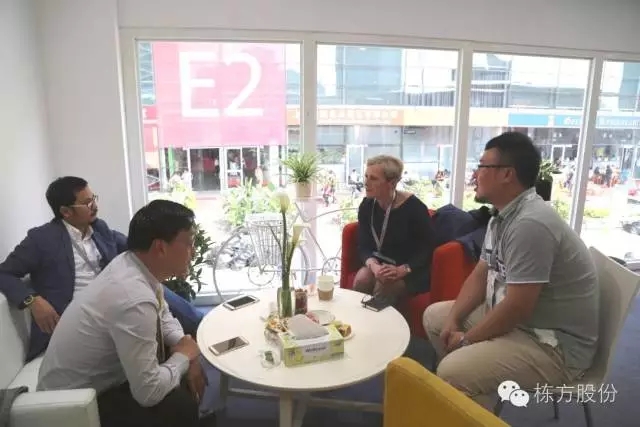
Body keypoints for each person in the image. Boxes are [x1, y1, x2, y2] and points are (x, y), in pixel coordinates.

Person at [422, 132, 599, 408]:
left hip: (552, 346)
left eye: (482, 166)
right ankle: (471, 396)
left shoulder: (530, 224)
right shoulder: (502, 216)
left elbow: (518, 307)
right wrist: (453, 320)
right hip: (522, 324)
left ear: (507, 174)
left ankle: (464, 388)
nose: (475, 174)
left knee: (451, 371)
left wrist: (466, 341)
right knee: (436, 318)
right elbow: (480, 274)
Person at [37, 199, 214, 427]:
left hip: (97, 383)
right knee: (178, 404)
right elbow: (148, 392)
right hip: (72, 406)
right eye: (189, 243)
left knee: (176, 379)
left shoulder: (133, 264)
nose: (193, 251)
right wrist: (184, 357)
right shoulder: (132, 297)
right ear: (160, 247)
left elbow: (163, 314)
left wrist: (184, 344)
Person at [0, 176, 203, 361]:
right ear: (66, 211)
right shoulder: (41, 239)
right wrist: (32, 300)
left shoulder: (99, 229)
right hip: (78, 325)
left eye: (94, 198)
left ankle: (199, 328)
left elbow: (138, 246)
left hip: (115, 302)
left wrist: (174, 253)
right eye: (87, 203)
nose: (95, 206)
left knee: (156, 288)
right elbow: (4, 272)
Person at [354, 155, 436, 299]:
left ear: (391, 183)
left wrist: (402, 270)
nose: (366, 183)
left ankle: (380, 314)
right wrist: (373, 266)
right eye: (366, 176)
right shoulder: (367, 205)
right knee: (362, 280)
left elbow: (427, 250)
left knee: (383, 288)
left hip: (409, 269)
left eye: (373, 178)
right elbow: (363, 245)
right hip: (379, 264)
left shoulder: (415, 208)